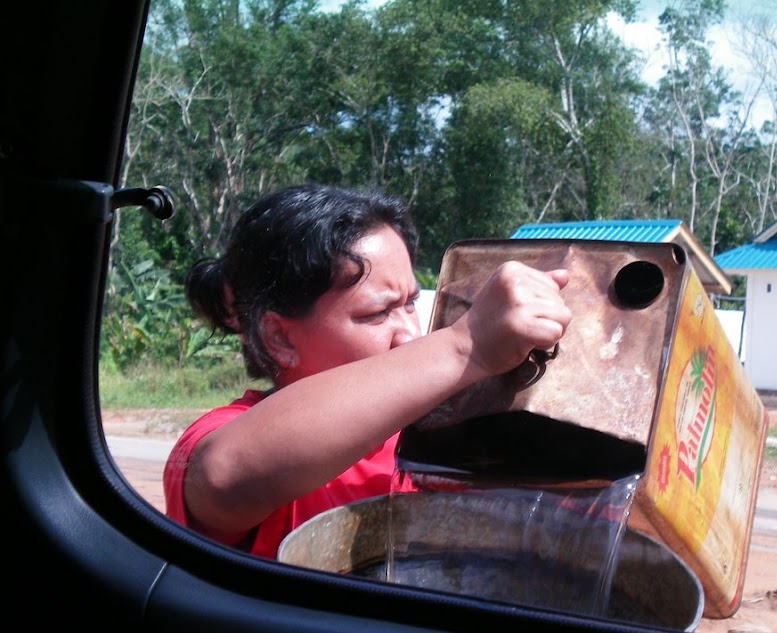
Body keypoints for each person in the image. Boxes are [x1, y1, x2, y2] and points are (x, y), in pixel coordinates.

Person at [163, 183, 572, 559]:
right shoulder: (226, 433)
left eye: (410, 303)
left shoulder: (437, 431)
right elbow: (222, 477)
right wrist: (465, 345)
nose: (410, 336)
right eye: (379, 312)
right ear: (279, 339)